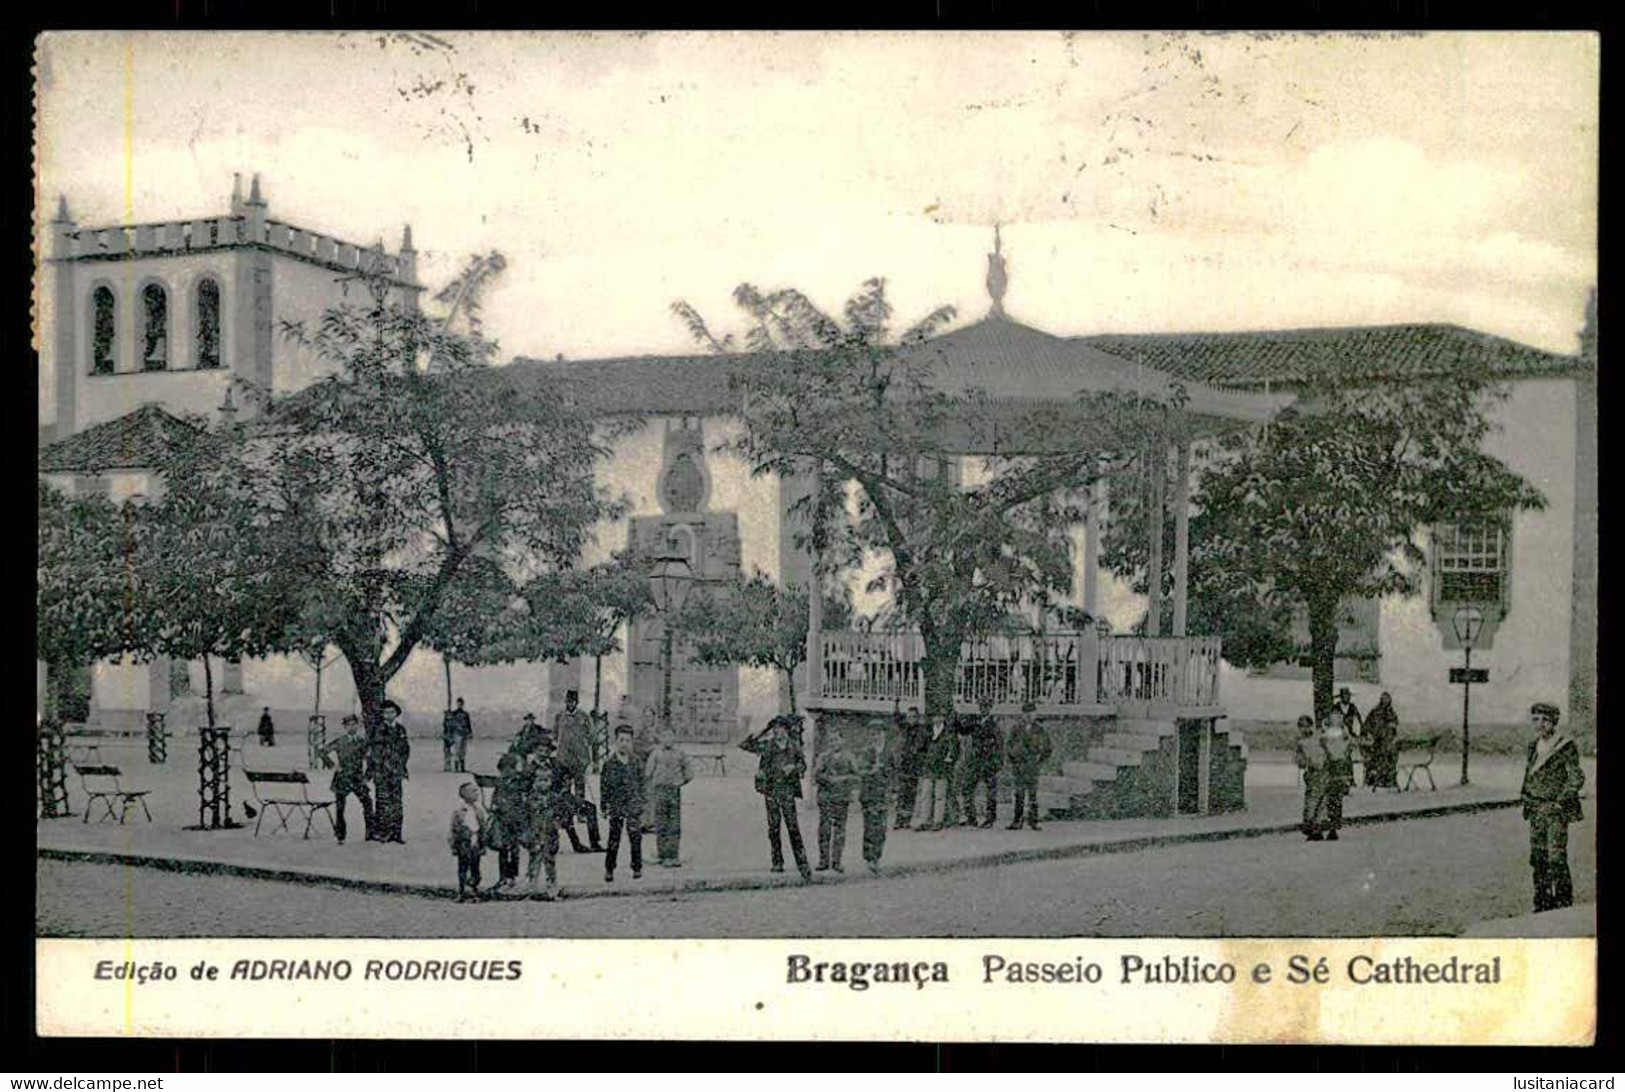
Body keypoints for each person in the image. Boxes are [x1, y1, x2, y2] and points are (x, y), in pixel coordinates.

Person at [1520, 702, 1585, 912]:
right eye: (1536, 719)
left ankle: (1564, 904)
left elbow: (1576, 777)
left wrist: (1560, 801)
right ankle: (1542, 903)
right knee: (1538, 857)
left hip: (1555, 810)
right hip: (1535, 808)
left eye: (1545, 720)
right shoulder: (1533, 746)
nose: (1540, 724)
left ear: (1554, 722)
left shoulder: (1565, 745)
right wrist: (1526, 796)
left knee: (1556, 857)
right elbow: (1529, 774)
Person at [739, 716, 812, 881]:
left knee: (793, 828)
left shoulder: (794, 746)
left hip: (787, 791)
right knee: (774, 829)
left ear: (786, 730)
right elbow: (745, 745)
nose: (777, 731)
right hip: (771, 791)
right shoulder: (768, 745)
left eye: (780, 728)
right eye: (775, 728)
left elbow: (803, 765)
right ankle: (777, 862)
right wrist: (762, 731)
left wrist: (793, 768)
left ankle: (803, 864)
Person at [553, 690, 603, 852]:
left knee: (580, 785)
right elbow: (555, 736)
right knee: (563, 789)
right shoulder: (560, 716)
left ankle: (580, 813)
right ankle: (566, 814)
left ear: (577, 702)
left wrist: (594, 760)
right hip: (563, 760)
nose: (570, 703)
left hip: (579, 760)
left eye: (573, 701)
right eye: (568, 701)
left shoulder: (584, 717)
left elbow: (594, 738)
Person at [599, 724, 644, 883]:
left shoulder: (636, 762)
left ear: (632, 742)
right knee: (614, 838)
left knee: (635, 837)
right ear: (615, 741)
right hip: (616, 805)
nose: (624, 743)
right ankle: (609, 868)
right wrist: (604, 805)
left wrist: (641, 802)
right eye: (621, 740)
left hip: (633, 804)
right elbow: (604, 787)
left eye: (627, 740)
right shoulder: (609, 764)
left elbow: (642, 783)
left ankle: (637, 867)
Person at [319, 714, 373, 844]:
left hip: (357, 778)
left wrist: (367, 776)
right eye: (348, 725)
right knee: (340, 807)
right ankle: (340, 835)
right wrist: (333, 765)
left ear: (358, 726)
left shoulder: (363, 742)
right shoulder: (340, 741)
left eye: (354, 724)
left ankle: (370, 833)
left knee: (367, 803)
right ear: (344, 727)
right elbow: (322, 751)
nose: (351, 727)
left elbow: (371, 760)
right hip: (342, 778)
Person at [644, 727, 694, 867]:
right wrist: (654, 785)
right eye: (664, 736)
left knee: (674, 823)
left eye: (670, 736)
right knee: (660, 823)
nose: (667, 739)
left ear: (674, 738)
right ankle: (662, 853)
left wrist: (680, 782)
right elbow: (648, 772)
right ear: (660, 738)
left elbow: (689, 773)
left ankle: (673, 855)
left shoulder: (680, 754)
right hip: (659, 791)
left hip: (674, 791)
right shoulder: (655, 754)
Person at [522, 730, 562, 900]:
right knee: (534, 853)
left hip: (550, 829)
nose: (543, 753)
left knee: (549, 856)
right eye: (540, 750)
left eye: (546, 750)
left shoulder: (553, 767)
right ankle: (532, 882)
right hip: (536, 827)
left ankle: (552, 883)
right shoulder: (530, 769)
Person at [813, 731, 861, 872]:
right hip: (826, 797)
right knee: (824, 830)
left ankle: (836, 861)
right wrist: (827, 778)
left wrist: (843, 779)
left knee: (839, 830)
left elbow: (856, 776)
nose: (833, 743)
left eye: (836, 740)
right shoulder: (823, 757)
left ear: (842, 741)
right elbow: (816, 775)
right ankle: (823, 860)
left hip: (841, 798)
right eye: (831, 740)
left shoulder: (849, 757)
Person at [368, 700, 411, 844]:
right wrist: (377, 768)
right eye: (386, 712)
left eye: (392, 712)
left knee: (397, 803)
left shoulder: (400, 730)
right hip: (382, 772)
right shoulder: (378, 729)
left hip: (396, 772)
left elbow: (405, 750)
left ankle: (397, 834)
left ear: (396, 714)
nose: (389, 715)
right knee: (382, 803)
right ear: (382, 714)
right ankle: (383, 833)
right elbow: (375, 752)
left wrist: (401, 765)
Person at [1005, 701, 1051, 831]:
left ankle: (1033, 821)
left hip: (1032, 767)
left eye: (1031, 713)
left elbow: (1048, 748)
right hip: (1019, 766)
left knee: (1032, 795)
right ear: (1022, 715)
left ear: (1035, 714)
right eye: (1026, 713)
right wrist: (1013, 759)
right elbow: (1009, 745)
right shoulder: (1016, 728)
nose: (1029, 716)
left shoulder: (1040, 730)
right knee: (1019, 794)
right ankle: (1017, 821)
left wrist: (1039, 760)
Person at [487, 752, 528, 893]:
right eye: (503, 769)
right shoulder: (500, 783)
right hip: (502, 820)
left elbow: (523, 802)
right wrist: (494, 807)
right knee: (503, 850)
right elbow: (495, 798)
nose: (506, 772)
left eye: (509, 769)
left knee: (514, 850)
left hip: (515, 820)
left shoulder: (519, 783)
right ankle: (503, 877)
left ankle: (512, 877)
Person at [963, 698, 1003, 828]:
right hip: (975, 761)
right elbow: (964, 730)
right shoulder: (974, 721)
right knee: (967, 787)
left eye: (986, 706)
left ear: (990, 708)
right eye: (981, 706)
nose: (983, 709)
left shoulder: (994, 723)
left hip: (988, 760)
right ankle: (971, 817)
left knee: (991, 791)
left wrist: (998, 762)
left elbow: (999, 744)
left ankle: (990, 819)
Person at [857, 720, 891, 873]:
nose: (876, 736)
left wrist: (892, 790)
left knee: (881, 828)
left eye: (878, 733)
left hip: (882, 794)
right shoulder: (865, 752)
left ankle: (878, 856)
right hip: (869, 794)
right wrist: (872, 770)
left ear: (884, 734)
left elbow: (893, 772)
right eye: (873, 733)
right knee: (870, 826)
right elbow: (860, 771)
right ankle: (869, 857)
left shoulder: (888, 753)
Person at [914, 716, 959, 831]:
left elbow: (954, 750)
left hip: (941, 768)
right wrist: (924, 760)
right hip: (928, 767)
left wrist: (948, 761)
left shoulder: (948, 732)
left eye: (940, 716)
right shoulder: (928, 731)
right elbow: (920, 748)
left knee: (940, 795)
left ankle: (938, 820)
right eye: (935, 716)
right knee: (926, 794)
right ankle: (925, 820)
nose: (937, 719)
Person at [447, 781, 488, 903]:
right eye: (473, 791)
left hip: (475, 842)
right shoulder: (458, 812)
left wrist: (483, 844)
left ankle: (474, 891)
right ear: (464, 794)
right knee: (463, 868)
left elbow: (483, 829)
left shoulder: (479, 812)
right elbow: (453, 829)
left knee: (475, 868)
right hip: (463, 843)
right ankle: (462, 891)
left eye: (476, 791)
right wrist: (453, 845)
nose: (477, 794)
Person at [1319, 711, 1354, 840]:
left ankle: (1331, 826)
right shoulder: (1336, 735)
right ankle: (1331, 826)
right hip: (1334, 767)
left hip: (1334, 767)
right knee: (1333, 799)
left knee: (1333, 798)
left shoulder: (1331, 734)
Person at [1294, 715, 1327, 841]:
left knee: (1321, 799)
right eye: (1301, 726)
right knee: (1311, 799)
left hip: (1323, 770)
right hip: (1312, 772)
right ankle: (1311, 824)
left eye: (1307, 726)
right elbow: (1299, 760)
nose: (1304, 729)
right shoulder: (1300, 742)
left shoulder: (1319, 737)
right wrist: (1306, 762)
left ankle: (1317, 826)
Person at [1362, 692, 1400, 790]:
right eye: (1384, 699)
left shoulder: (1392, 713)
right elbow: (1367, 727)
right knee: (1380, 755)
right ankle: (1378, 779)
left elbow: (1394, 727)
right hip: (1376, 742)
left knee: (1390, 754)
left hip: (1387, 742)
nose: (1385, 701)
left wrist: (1390, 730)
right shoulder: (1375, 712)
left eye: (1387, 699)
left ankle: (1387, 779)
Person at [634, 706, 660, 833]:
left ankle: (651, 822)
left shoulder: (656, 732)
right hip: (641, 766)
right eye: (645, 716)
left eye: (649, 717)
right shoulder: (639, 731)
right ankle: (642, 822)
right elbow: (634, 747)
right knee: (642, 793)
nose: (647, 719)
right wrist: (647, 750)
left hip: (654, 768)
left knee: (652, 794)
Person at [443, 697, 473, 773]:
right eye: (459, 703)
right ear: (457, 704)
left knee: (463, 751)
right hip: (457, 734)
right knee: (457, 751)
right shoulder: (454, 713)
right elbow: (449, 722)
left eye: (461, 704)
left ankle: (462, 767)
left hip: (464, 734)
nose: (460, 705)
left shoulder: (465, 714)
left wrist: (469, 732)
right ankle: (456, 767)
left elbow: (468, 724)